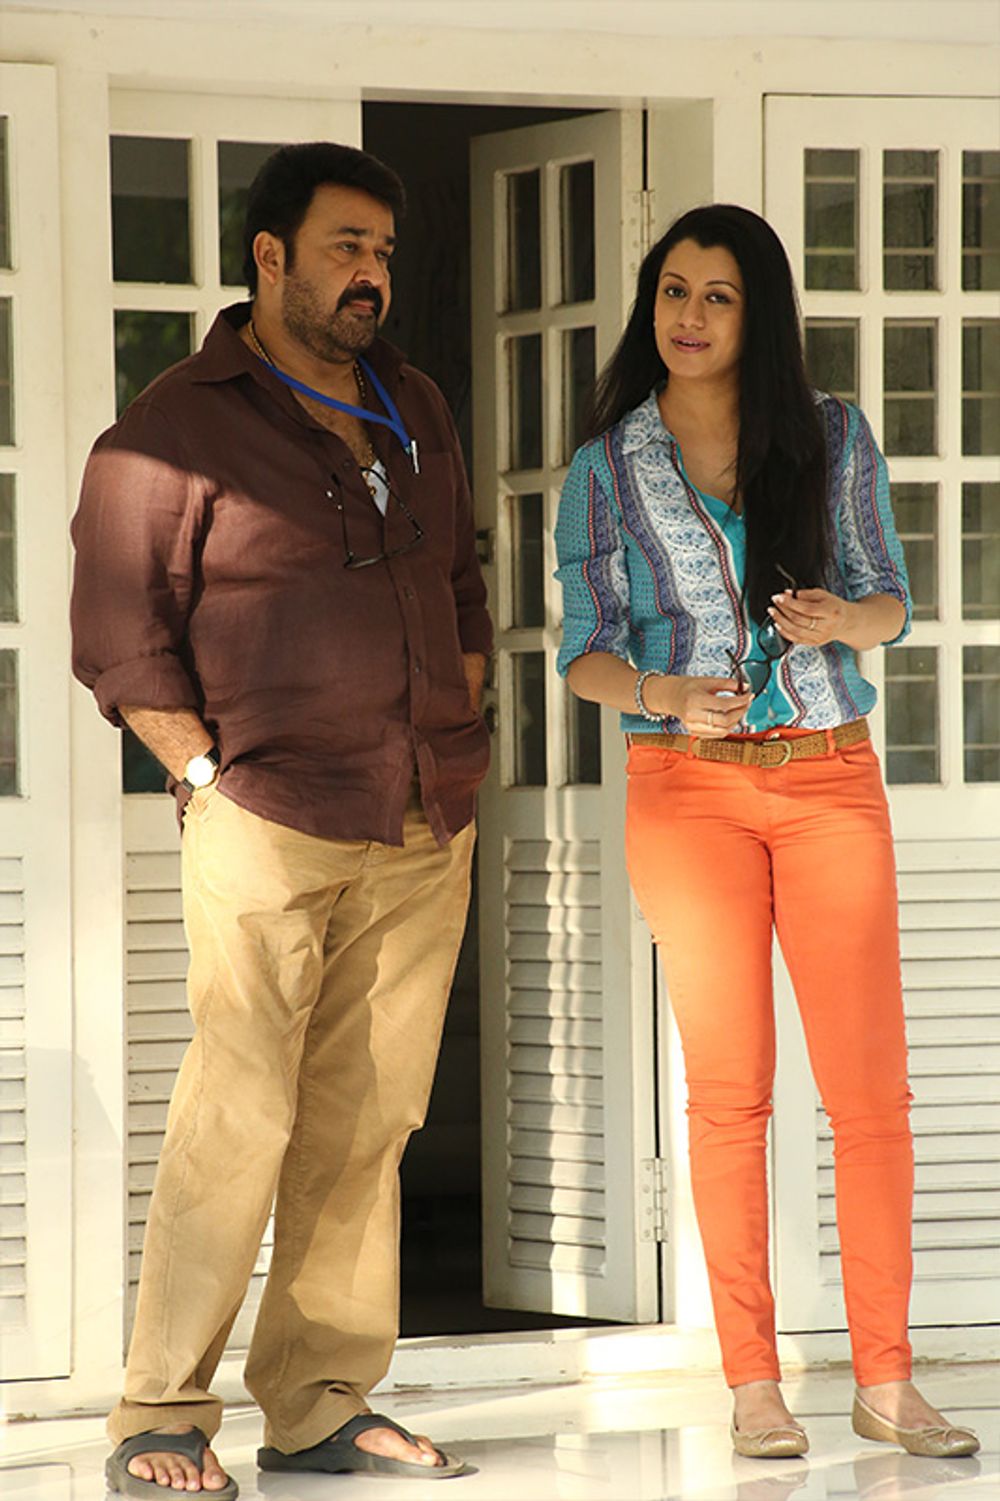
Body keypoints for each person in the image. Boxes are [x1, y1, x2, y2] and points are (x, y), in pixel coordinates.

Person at [71, 142, 492, 1495]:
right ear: (271, 256)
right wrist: (203, 777)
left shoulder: (413, 403)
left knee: (368, 1122)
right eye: (344, 247)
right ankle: (160, 1412)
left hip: (423, 817)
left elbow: (461, 577)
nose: (371, 274)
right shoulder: (171, 428)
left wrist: (459, 715)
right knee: (238, 1114)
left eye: (383, 251)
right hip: (266, 814)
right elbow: (119, 635)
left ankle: (318, 1403)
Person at [554, 204, 980, 1462]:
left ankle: (886, 1379)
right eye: (672, 291)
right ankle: (752, 1383)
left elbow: (892, 602)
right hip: (684, 790)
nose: (687, 316)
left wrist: (842, 618)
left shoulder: (831, 436)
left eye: (718, 295)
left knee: (870, 1093)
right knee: (729, 1092)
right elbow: (582, 651)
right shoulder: (605, 468)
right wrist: (660, 690)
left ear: (760, 314)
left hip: (829, 777)